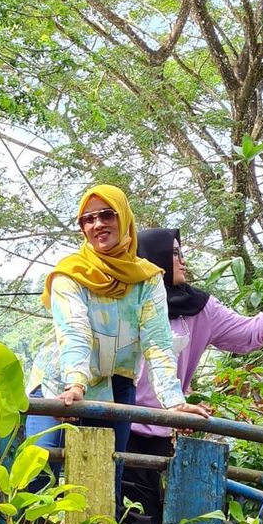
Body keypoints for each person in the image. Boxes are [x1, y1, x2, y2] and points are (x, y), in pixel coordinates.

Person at [123, 227, 263, 524]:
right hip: (122, 423)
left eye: (182, 252)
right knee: (128, 513)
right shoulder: (128, 300)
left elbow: (246, 333)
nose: (183, 261)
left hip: (164, 426)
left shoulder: (199, 308)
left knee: (159, 514)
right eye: (175, 253)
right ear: (154, 258)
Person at [24, 185, 207, 497]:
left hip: (115, 384)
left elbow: (158, 342)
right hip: (60, 385)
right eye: (88, 219)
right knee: (39, 474)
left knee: (104, 484)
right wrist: (76, 384)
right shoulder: (69, 274)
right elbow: (74, 331)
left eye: (107, 214)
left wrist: (174, 403)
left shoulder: (146, 279)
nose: (98, 224)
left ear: (124, 218)